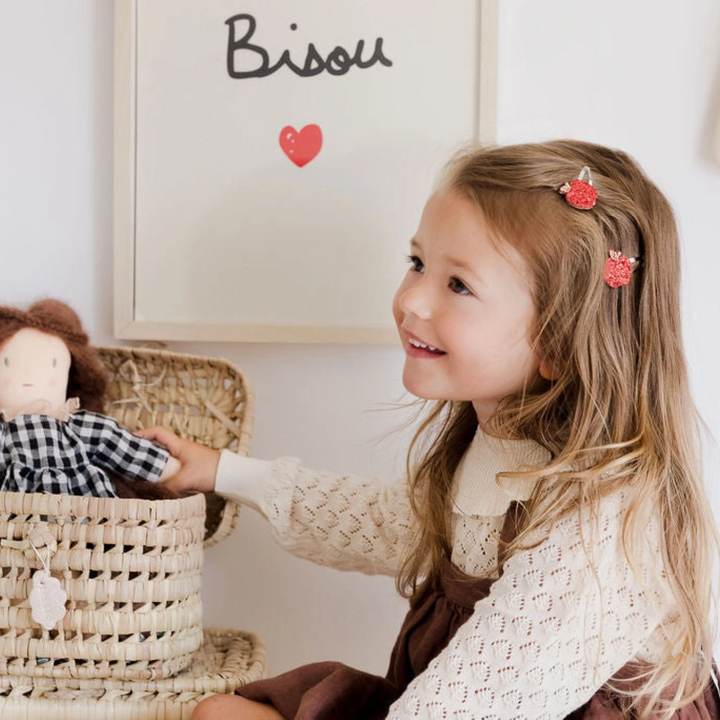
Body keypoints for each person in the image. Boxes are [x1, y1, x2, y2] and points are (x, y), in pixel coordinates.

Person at [139, 140, 720, 718]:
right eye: (418, 263)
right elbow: (379, 520)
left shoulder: (602, 526)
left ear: (559, 344)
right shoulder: (498, 446)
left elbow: (471, 703)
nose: (410, 300)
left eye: (458, 285)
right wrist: (220, 470)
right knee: (220, 713)